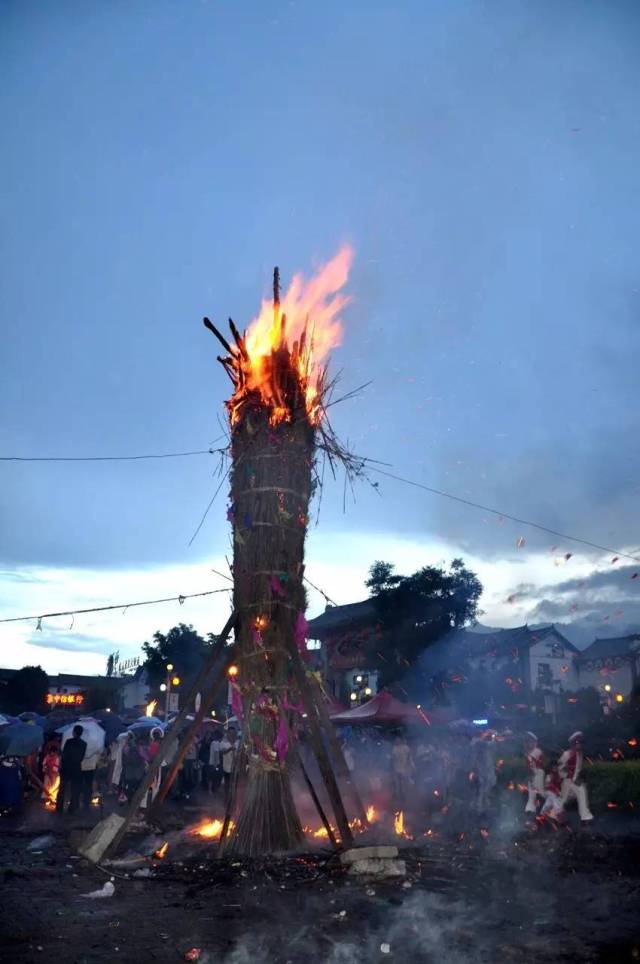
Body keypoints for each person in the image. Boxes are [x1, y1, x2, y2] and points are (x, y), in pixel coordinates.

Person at [558, 730, 594, 823]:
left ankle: (585, 817)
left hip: (575, 781)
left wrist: (579, 778)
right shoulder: (566, 754)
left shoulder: (579, 754)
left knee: (582, 793)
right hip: (567, 781)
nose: (579, 745)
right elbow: (559, 768)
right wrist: (566, 774)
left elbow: (578, 769)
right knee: (563, 799)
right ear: (573, 743)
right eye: (577, 742)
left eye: (580, 742)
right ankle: (554, 814)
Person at [56, 725, 86, 815]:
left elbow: (65, 755)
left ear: (74, 732)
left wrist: (61, 756)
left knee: (62, 789)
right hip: (77, 768)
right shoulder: (84, 744)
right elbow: (81, 757)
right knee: (75, 789)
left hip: (67, 768)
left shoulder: (69, 742)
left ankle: (59, 808)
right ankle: (72, 808)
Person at [524, 731, 545, 815]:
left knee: (540, 793)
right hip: (532, 774)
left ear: (534, 742)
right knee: (532, 794)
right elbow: (528, 766)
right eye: (527, 741)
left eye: (529, 741)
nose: (527, 743)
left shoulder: (537, 751)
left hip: (538, 773)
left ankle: (544, 810)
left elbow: (534, 765)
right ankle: (530, 810)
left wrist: (532, 774)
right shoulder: (529, 752)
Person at [391, 733, 414, 808]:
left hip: (404, 769)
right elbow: (393, 759)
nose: (397, 741)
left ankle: (405, 798)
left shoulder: (406, 748)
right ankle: (399, 798)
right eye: (396, 740)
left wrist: (411, 766)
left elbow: (409, 757)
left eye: (398, 740)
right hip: (397, 769)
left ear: (400, 740)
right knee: (398, 784)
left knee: (404, 784)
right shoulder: (394, 748)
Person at [122, 732, 146, 802]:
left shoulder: (129, 747)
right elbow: (144, 758)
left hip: (129, 771)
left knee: (129, 786)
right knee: (136, 786)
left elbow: (125, 756)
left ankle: (129, 799)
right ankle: (133, 800)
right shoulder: (141, 748)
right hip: (137, 772)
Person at [219, 727, 239, 802]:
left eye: (233, 733)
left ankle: (234, 801)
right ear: (227, 734)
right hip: (227, 768)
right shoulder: (223, 743)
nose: (232, 735)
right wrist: (230, 749)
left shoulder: (238, 743)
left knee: (235, 786)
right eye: (230, 733)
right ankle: (226, 800)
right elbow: (222, 752)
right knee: (227, 786)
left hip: (237, 768)